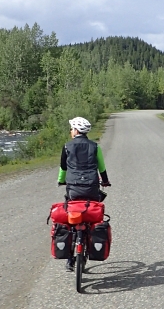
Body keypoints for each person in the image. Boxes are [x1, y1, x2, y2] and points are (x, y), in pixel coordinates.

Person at [57, 116, 110, 271]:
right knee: (91, 214)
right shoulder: (95, 147)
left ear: (76, 130)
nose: (71, 131)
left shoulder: (67, 146)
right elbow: (101, 167)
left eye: (72, 129)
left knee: (70, 216)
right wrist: (105, 181)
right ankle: (91, 242)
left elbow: (63, 168)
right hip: (92, 187)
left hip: (73, 188)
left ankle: (69, 258)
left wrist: (61, 181)